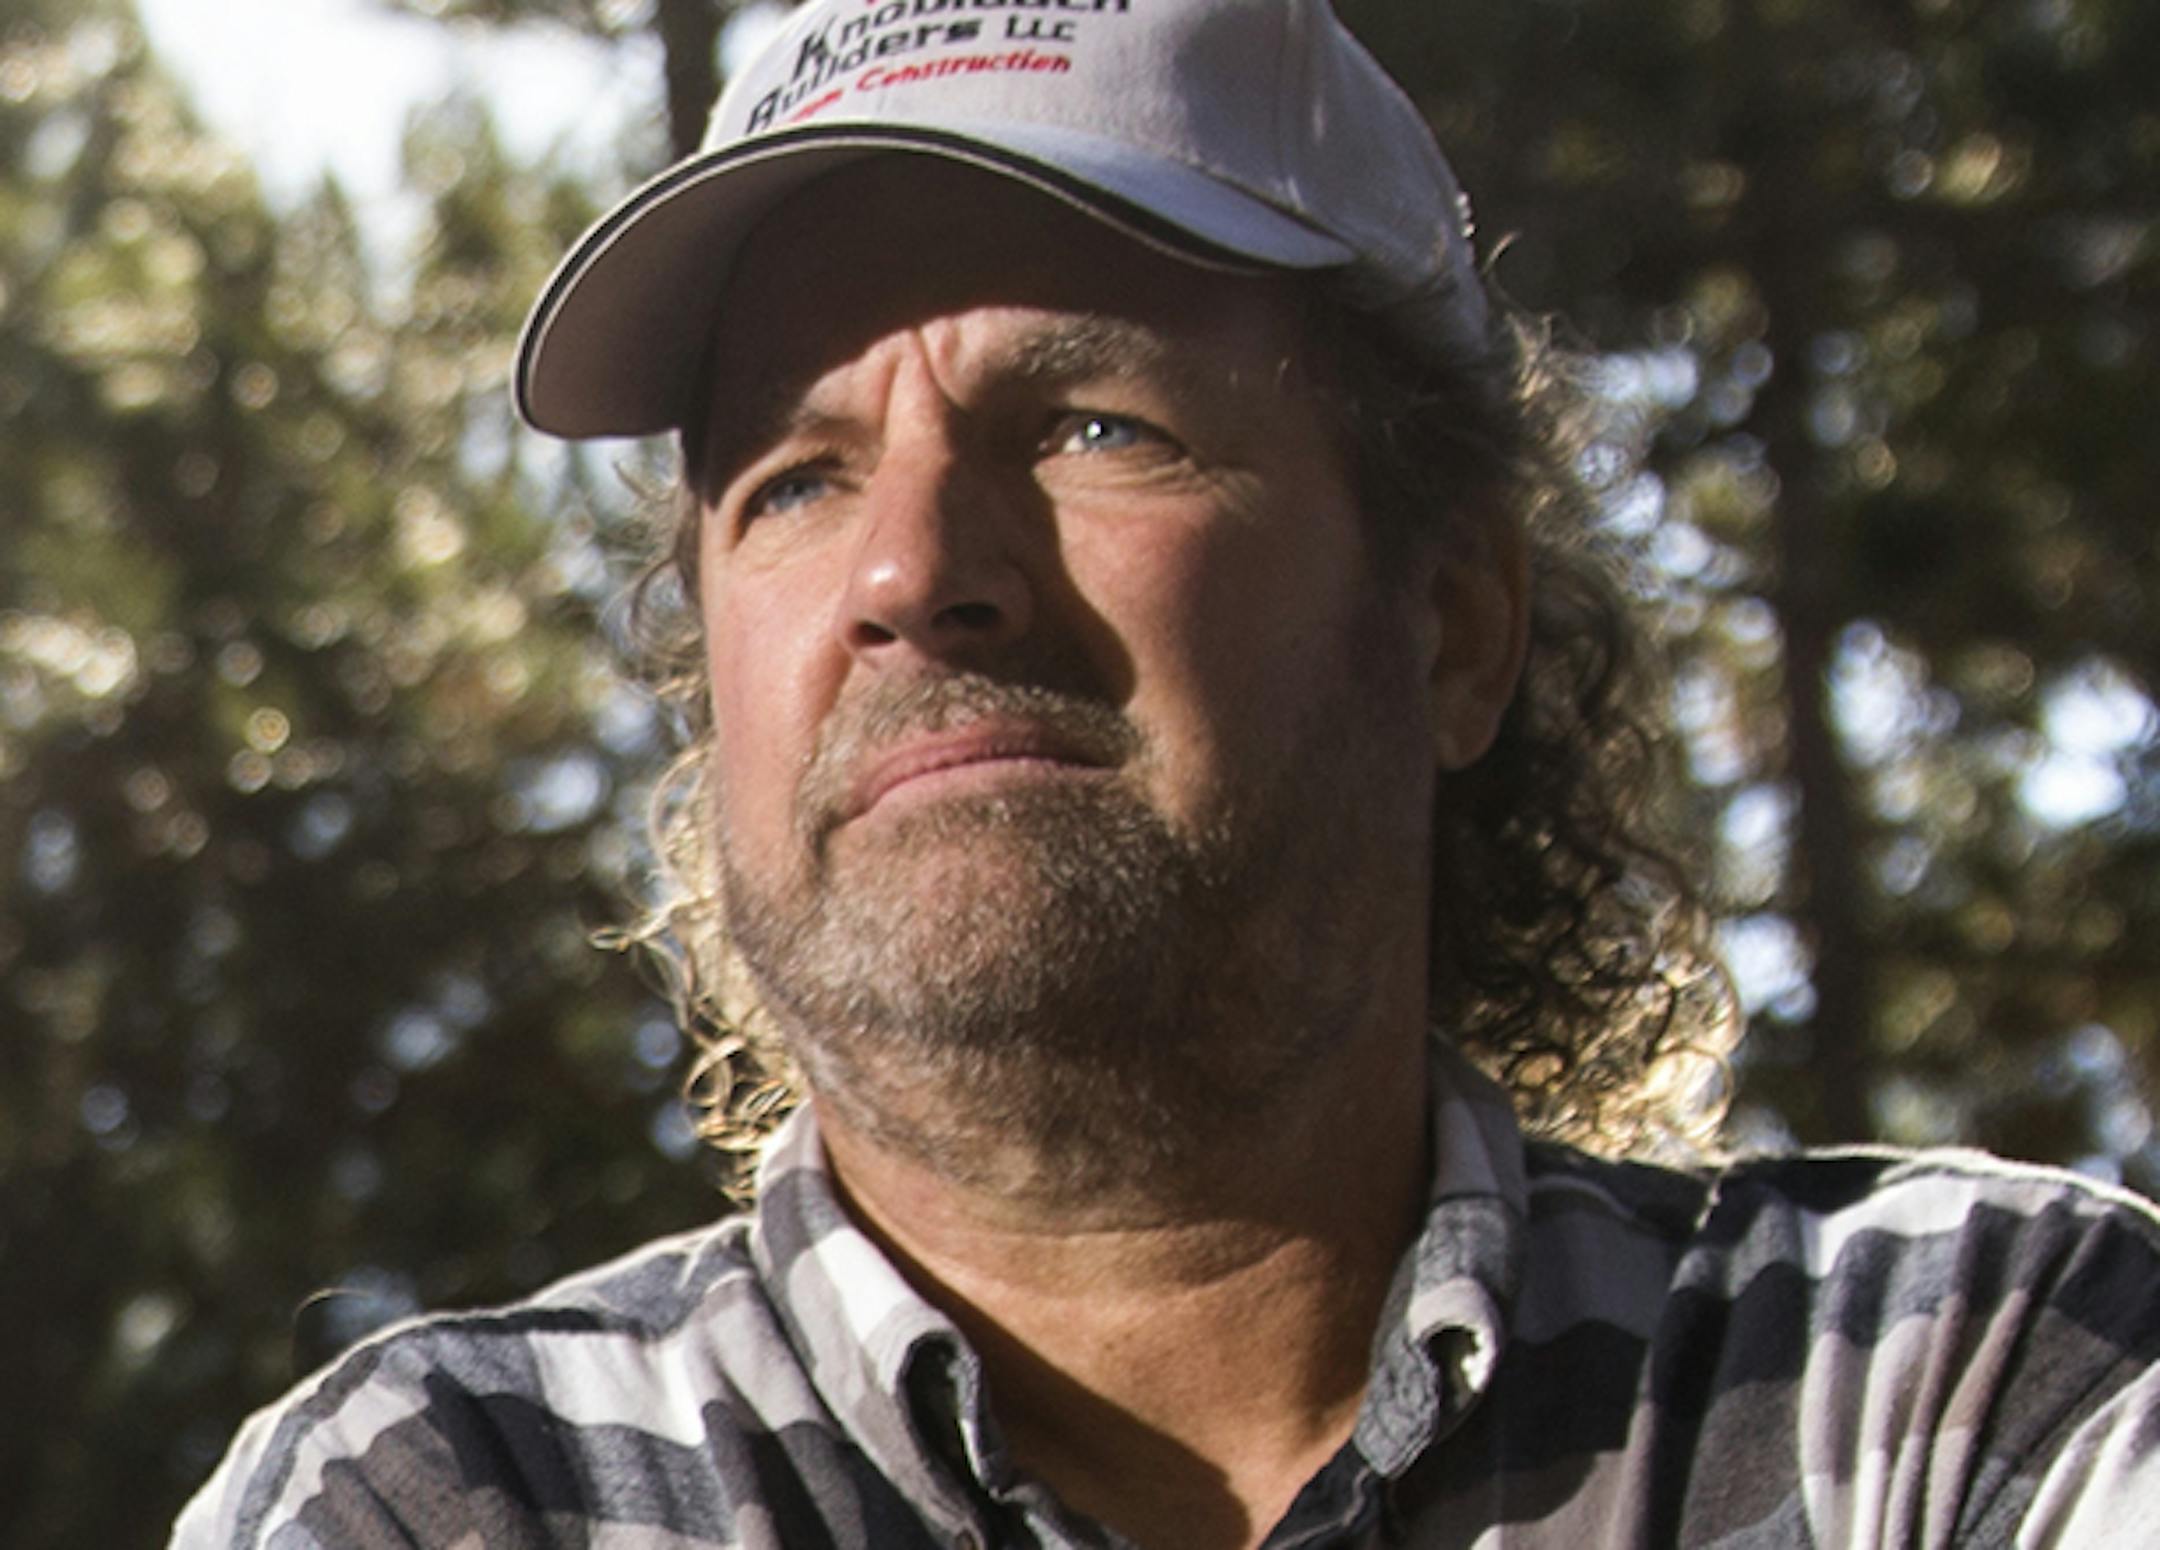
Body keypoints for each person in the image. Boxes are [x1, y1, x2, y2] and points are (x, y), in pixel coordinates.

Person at [174, 2, 2160, 1546]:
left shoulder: (1956, 1377)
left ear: (1456, 620)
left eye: (1096, 425)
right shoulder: (444, 1495)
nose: (910, 573)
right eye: (794, 477)